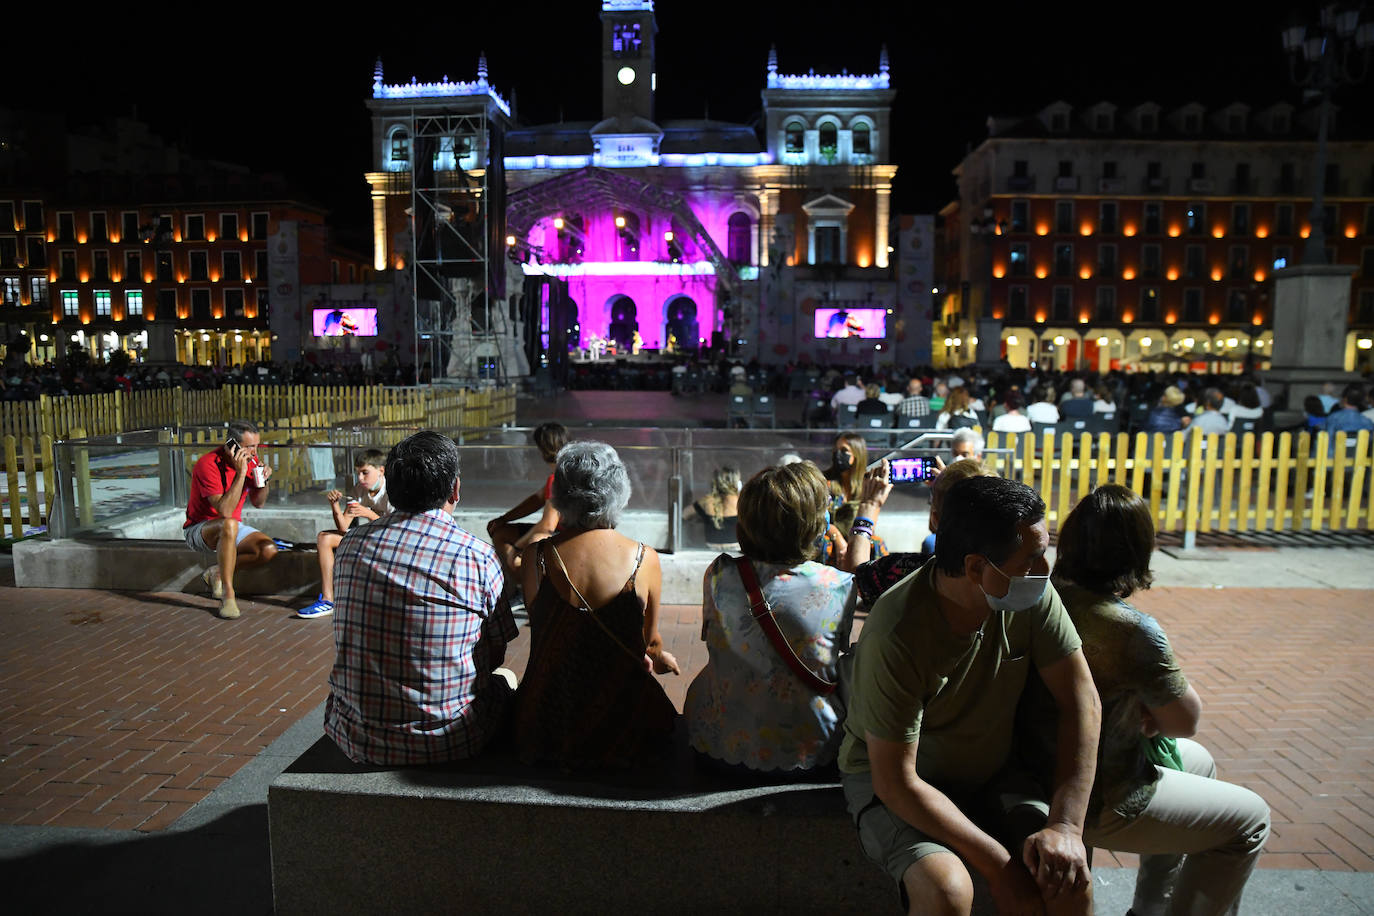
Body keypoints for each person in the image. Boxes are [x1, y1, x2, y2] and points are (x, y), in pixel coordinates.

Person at [838, 475, 1100, 916]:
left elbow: (1082, 701)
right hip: (898, 786)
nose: (1045, 569)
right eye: (1032, 557)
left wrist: (1066, 826)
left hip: (995, 773)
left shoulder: (1031, 595)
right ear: (977, 567)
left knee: (1064, 878)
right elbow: (897, 781)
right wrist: (1000, 868)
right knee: (947, 890)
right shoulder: (898, 630)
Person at [1025, 485, 1270, 916]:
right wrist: (1148, 706)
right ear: (1137, 550)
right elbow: (1182, 720)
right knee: (1250, 822)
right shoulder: (1131, 629)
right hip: (1097, 792)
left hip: (1036, 766)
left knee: (1201, 764)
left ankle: (1150, 908)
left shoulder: (1041, 598)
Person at [324, 431, 518, 765]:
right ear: (454, 489)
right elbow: (495, 654)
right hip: (449, 741)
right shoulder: (476, 556)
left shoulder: (350, 546)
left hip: (354, 734)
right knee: (507, 679)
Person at [684, 461, 864, 774]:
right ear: (813, 525)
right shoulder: (839, 585)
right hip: (810, 747)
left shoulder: (719, 573)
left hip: (717, 739)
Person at [512, 441, 680, 767]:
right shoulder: (645, 559)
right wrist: (658, 656)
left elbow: (547, 625)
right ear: (619, 488)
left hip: (548, 720)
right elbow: (649, 640)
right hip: (622, 724)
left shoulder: (537, 557)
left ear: (560, 492)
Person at [183, 419, 279, 620]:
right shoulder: (207, 464)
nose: (254, 452)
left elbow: (258, 503)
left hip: (232, 527)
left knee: (268, 549)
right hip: (199, 530)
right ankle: (228, 595)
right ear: (232, 445)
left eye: (256, 446)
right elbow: (225, 511)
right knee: (229, 523)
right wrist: (241, 472)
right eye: (249, 447)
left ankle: (217, 571)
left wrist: (264, 480)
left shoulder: (251, 460)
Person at [297, 449, 392, 620]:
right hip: (370, 536)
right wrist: (334, 506)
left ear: (381, 471)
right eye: (358, 474)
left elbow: (396, 529)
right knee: (324, 538)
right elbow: (342, 526)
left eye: (365, 473)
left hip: (390, 541)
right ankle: (327, 600)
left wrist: (368, 513)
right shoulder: (358, 490)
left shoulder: (391, 491)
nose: (361, 478)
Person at [486, 422, 567, 583]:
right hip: (565, 535)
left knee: (503, 536)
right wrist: (504, 519)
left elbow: (547, 526)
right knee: (501, 530)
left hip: (561, 538)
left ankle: (522, 588)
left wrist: (516, 549)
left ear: (542, 450)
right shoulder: (565, 472)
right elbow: (537, 499)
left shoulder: (557, 478)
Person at [694, 464, 741, 551]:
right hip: (735, 548)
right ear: (736, 482)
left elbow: (684, 514)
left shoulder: (706, 500)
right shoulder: (740, 500)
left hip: (710, 548)